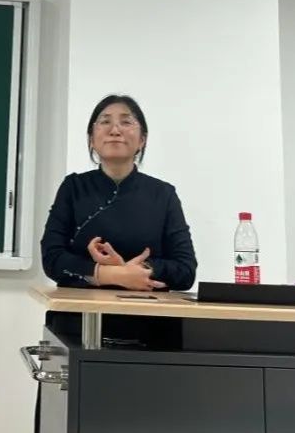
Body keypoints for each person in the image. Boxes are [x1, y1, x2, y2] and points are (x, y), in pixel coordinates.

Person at [41, 94, 196, 291]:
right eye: (105, 122)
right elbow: (52, 258)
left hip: (147, 308)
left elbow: (186, 270)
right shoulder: (73, 187)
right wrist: (113, 274)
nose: (115, 130)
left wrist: (142, 269)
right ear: (91, 139)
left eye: (126, 122)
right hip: (79, 307)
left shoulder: (163, 194)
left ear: (142, 140)